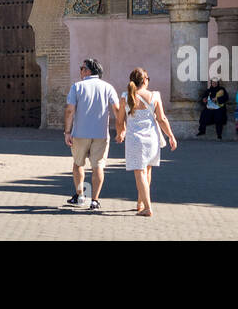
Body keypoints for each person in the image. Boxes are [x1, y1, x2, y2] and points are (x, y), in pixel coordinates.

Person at [63, 58, 125, 211]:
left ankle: (80, 195)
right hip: (100, 134)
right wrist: (121, 129)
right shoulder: (108, 87)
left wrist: (67, 132)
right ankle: (95, 200)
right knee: (98, 166)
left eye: (81, 68)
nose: (80, 71)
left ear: (88, 70)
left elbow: (70, 111)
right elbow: (117, 110)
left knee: (78, 164)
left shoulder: (77, 87)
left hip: (80, 133)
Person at [121, 67, 177, 217]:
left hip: (134, 139)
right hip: (152, 138)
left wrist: (121, 131)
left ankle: (147, 207)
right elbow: (162, 118)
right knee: (147, 171)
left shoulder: (126, 97)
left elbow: (120, 120)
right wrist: (170, 135)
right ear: (145, 80)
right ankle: (140, 203)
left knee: (140, 172)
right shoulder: (155, 96)